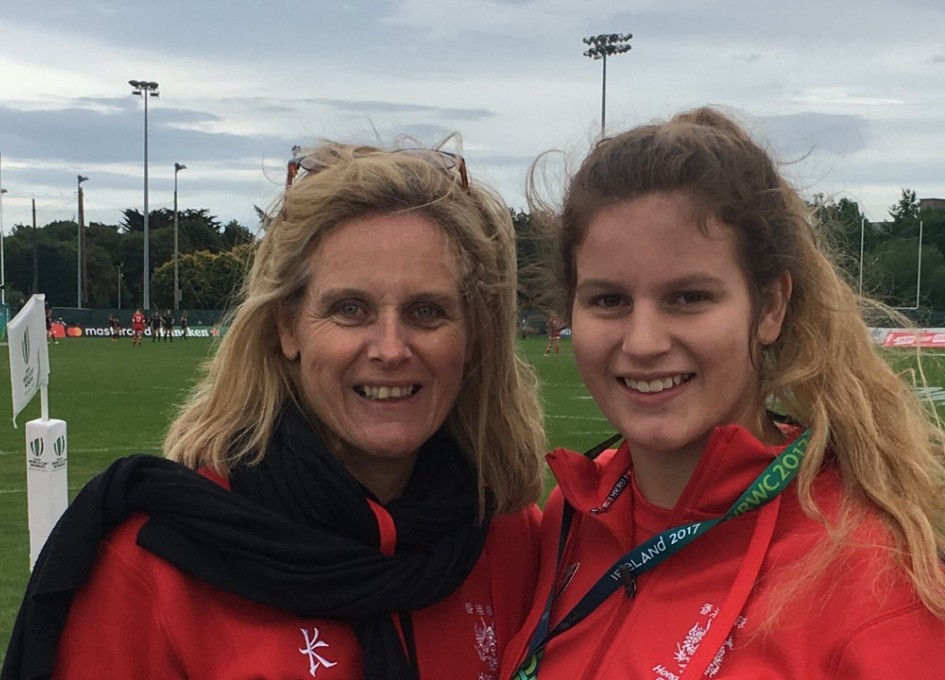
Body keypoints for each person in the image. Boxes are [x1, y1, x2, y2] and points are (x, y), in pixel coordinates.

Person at [3, 140, 547, 680]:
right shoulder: (153, 566)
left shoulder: (512, 540)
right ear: (287, 327)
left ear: (472, 334)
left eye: (427, 311)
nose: (390, 348)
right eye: (349, 309)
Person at [502, 108, 945, 679]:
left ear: (770, 308)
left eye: (689, 297)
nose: (642, 342)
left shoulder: (876, 578)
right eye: (608, 300)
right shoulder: (572, 515)